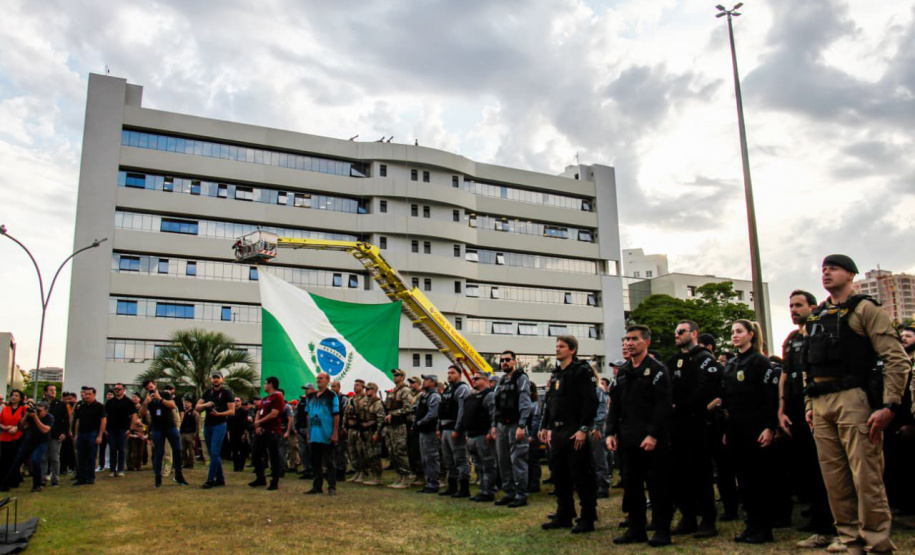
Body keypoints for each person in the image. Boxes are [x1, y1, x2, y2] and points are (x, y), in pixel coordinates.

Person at [804, 255, 910, 554]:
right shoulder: (817, 315)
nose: (826, 273)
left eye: (833, 268)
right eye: (823, 269)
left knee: (866, 477)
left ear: (851, 274)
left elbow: (896, 359)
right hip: (821, 400)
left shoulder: (865, 309)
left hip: (854, 397)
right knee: (834, 479)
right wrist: (808, 404)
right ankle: (850, 540)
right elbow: (807, 366)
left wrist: (890, 404)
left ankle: (877, 543)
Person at [776, 290, 836, 549]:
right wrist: (781, 408)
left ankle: (835, 526)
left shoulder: (821, 333)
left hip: (819, 409)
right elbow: (785, 375)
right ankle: (819, 525)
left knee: (827, 471)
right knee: (807, 471)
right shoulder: (790, 340)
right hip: (796, 413)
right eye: (790, 306)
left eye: (799, 305)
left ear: (812, 307)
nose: (793, 310)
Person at [607, 326, 674, 546]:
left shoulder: (657, 370)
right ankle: (636, 529)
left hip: (651, 440)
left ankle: (662, 530)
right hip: (628, 438)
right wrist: (610, 432)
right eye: (626, 339)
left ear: (646, 342)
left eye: (634, 339)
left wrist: (653, 434)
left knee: (658, 486)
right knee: (632, 486)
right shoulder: (624, 371)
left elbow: (663, 405)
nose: (628, 343)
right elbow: (615, 405)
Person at [717, 320, 777, 544]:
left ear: (751, 334)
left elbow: (769, 397)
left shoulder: (759, 361)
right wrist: (726, 429)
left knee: (759, 480)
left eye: (739, 332)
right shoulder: (732, 364)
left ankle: (764, 529)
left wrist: (770, 427)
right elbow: (728, 400)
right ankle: (751, 526)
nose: (735, 336)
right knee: (743, 482)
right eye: (732, 332)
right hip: (735, 428)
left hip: (756, 427)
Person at [666, 320, 720, 539]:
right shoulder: (675, 360)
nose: (677, 335)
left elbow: (706, 389)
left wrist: (683, 406)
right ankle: (687, 517)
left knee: (701, 473)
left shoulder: (705, 359)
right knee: (680, 474)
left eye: (681, 331)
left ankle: (708, 520)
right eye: (676, 332)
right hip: (677, 424)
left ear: (694, 333)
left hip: (698, 423)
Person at [541, 336, 599, 535]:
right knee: (559, 475)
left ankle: (588, 517)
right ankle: (564, 514)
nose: (557, 349)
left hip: (574, 430)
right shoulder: (557, 373)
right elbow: (549, 403)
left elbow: (590, 401)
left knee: (582, 475)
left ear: (572, 350)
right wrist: (546, 426)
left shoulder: (581, 371)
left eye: (562, 346)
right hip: (556, 432)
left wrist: (583, 428)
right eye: (556, 346)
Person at [491, 351, 532, 508]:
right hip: (501, 425)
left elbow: (524, 402)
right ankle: (510, 493)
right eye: (502, 360)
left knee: (518, 459)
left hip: (515, 424)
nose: (504, 362)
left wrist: (522, 425)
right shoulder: (501, 381)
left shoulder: (521, 378)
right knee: (503, 460)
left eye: (507, 360)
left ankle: (521, 494)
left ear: (515, 361)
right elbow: (496, 404)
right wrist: (494, 424)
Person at [139, 380, 188, 488]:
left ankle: (179, 476)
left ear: (155, 385)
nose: (151, 389)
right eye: (148, 389)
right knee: (158, 453)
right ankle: (158, 479)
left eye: (151, 387)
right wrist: (145, 403)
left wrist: (160, 399)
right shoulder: (147, 400)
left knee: (177, 450)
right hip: (157, 429)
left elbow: (172, 405)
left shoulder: (165, 394)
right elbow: (141, 414)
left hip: (170, 427)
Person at [0, 400, 53, 492]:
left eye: (40, 410)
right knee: (17, 461)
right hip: (29, 441)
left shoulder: (49, 418)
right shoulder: (30, 416)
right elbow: (20, 426)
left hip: (41, 442)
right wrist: (26, 415)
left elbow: (45, 430)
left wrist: (36, 417)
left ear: (46, 411)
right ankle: (5, 484)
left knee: (35, 461)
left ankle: (37, 485)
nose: (38, 412)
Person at [195, 372, 234, 489]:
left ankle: (210, 479)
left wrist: (219, 414)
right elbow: (197, 407)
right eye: (214, 378)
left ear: (222, 379)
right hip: (208, 425)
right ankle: (220, 478)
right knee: (213, 453)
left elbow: (232, 411)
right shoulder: (208, 392)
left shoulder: (227, 393)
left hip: (220, 425)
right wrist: (206, 404)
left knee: (215, 452)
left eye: (218, 378)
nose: (215, 380)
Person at [463, 372, 497, 502]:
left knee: (488, 465)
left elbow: (494, 414)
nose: (473, 381)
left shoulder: (489, 396)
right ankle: (482, 489)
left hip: (484, 436)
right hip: (472, 436)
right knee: (478, 466)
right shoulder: (472, 397)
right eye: (473, 379)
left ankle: (489, 491)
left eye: (476, 379)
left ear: (485, 380)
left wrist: (491, 431)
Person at [304, 372, 340, 496]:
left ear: (327, 380)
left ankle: (332, 486)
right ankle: (317, 486)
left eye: (321, 378)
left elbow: (336, 415)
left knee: (330, 462)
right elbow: (308, 415)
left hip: (327, 433)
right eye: (317, 378)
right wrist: (308, 432)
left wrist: (335, 433)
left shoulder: (331, 395)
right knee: (315, 461)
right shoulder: (311, 397)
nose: (318, 380)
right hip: (314, 433)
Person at [439, 366, 471, 498]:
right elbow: (441, 410)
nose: (449, 375)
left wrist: (458, 428)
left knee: (460, 459)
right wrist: (438, 428)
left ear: (460, 374)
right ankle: (452, 486)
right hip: (445, 429)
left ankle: (464, 488)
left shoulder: (462, 389)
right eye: (448, 373)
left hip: (454, 429)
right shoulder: (448, 389)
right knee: (448, 459)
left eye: (452, 373)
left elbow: (462, 411)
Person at [249, 376, 285, 491]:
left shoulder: (278, 397)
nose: (264, 386)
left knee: (273, 456)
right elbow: (259, 411)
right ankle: (260, 478)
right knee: (256, 454)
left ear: (271, 384)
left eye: (265, 383)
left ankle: (274, 481)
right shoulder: (265, 399)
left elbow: (274, 414)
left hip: (273, 431)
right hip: (262, 431)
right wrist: (257, 424)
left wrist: (259, 422)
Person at [384, 369, 413, 488]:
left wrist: (394, 414)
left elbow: (408, 407)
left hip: (400, 425)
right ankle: (399, 476)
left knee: (400, 451)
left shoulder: (405, 390)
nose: (394, 377)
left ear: (402, 377)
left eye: (397, 375)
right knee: (392, 452)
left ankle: (406, 477)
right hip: (391, 425)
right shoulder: (393, 391)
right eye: (394, 375)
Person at [73, 386, 106, 486]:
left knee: (91, 456)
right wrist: (76, 434)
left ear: (94, 395)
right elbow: (78, 421)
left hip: (93, 433)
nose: (86, 396)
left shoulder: (99, 406)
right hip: (82, 433)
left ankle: (90, 477)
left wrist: (100, 435)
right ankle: (81, 477)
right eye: (85, 394)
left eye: (89, 394)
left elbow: (103, 421)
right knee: (81, 456)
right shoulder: (81, 406)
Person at [414, 374, 442, 493]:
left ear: (432, 382)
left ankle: (433, 483)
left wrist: (420, 422)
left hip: (430, 431)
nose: (424, 382)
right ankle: (429, 481)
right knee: (425, 458)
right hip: (423, 431)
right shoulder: (424, 396)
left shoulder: (434, 396)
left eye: (427, 380)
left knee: (431, 457)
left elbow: (433, 413)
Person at [104, 383, 136, 478]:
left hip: (124, 429)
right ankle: (112, 469)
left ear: (123, 390)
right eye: (115, 389)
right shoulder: (110, 402)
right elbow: (105, 416)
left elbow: (134, 415)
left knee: (122, 449)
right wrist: (105, 428)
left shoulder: (128, 402)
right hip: (111, 429)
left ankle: (121, 469)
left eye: (119, 389)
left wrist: (131, 428)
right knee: (112, 449)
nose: (117, 390)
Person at [359, 383, 386, 486]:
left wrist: (377, 433)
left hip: (373, 431)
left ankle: (378, 477)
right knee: (368, 454)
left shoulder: (377, 403)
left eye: (368, 389)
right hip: (366, 431)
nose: (366, 391)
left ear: (374, 390)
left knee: (374, 455)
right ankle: (373, 475)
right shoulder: (367, 402)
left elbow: (380, 419)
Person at [43, 384, 69, 487]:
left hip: (56, 434)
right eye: (50, 390)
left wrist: (64, 432)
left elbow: (66, 420)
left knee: (54, 458)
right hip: (43, 435)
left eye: (54, 390)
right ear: (45, 392)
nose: (53, 392)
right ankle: (43, 478)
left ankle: (55, 479)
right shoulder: (41, 404)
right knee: (43, 458)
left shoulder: (61, 404)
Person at [0, 390, 26, 488]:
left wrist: (17, 427)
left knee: (15, 459)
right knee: (4, 459)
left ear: (20, 398)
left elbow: (27, 421)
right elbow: (0, 421)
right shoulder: (5, 409)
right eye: (12, 395)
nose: (13, 397)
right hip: (5, 437)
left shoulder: (24, 409)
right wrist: (4, 428)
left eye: (16, 395)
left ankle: (14, 480)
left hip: (18, 437)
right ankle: (3, 480)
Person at [591, 369, 610, 499]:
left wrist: (597, 427)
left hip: (596, 429)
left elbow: (602, 411)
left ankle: (603, 487)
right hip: (586, 428)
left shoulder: (598, 390)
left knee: (599, 459)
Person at [344, 379, 366, 483]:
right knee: (351, 451)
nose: (355, 387)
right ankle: (356, 471)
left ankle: (362, 472)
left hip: (359, 428)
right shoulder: (351, 399)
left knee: (360, 451)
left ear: (362, 386)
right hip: (350, 428)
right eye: (354, 385)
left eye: (357, 385)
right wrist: (344, 425)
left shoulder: (365, 399)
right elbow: (346, 413)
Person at [406, 376, 424, 485]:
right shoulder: (411, 395)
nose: (411, 385)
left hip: (417, 425)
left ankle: (421, 475)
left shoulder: (422, 395)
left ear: (418, 383)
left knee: (418, 451)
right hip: (409, 425)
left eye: (413, 383)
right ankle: (416, 473)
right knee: (411, 451)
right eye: (410, 383)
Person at [329, 381, 348, 481]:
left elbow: (345, 413)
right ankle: (333, 470)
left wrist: (344, 427)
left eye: (334, 386)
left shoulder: (343, 398)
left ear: (339, 387)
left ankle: (341, 471)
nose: (332, 388)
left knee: (340, 449)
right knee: (332, 450)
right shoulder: (329, 398)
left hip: (340, 426)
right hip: (331, 427)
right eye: (331, 386)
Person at [295, 386, 312, 479]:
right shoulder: (301, 401)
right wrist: (295, 427)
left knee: (311, 450)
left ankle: (313, 469)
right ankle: (306, 468)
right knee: (303, 450)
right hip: (301, 428)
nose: (306, 391)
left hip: (311, 429)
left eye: (308, 389)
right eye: (305, 389)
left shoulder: (315, 400)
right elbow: (296, 414)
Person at [180, 399, 200, 469]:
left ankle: (191, 464)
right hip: (183, 433)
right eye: (185, 402)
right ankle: (186, 462)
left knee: (191, 449)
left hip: (191, 433)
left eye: (187, 402)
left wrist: (196, 433)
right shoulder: (183, 412)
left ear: (191, 404)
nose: (186, 404)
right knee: (183, 449)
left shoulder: (194, 413)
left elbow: (197, 424)